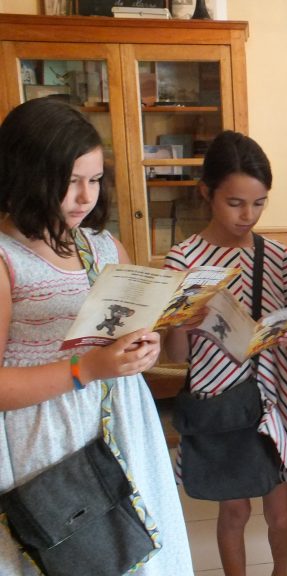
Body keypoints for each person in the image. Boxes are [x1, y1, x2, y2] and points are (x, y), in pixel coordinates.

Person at [0, 97, 193, 574]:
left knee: (143, 554)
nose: (85, 197)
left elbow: (129, 334)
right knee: (77, 555)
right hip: (49, 441)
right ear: (26, 174)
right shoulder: (7, 259)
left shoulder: (105, 246)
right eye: (69, 182)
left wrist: (143, 347)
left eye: (94, 179)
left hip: (124, 425)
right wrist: (87, 368)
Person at [164, 131, 287, 576]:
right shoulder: (183, 259)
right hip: (219, 403)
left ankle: (281, 571)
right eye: (236, 203)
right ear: (207, 193)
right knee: (234, 512)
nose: (249, 215)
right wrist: (182, 326)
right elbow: (176, 355)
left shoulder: (276, 255)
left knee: (280, 507)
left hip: (272, 400)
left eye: (260, 202)